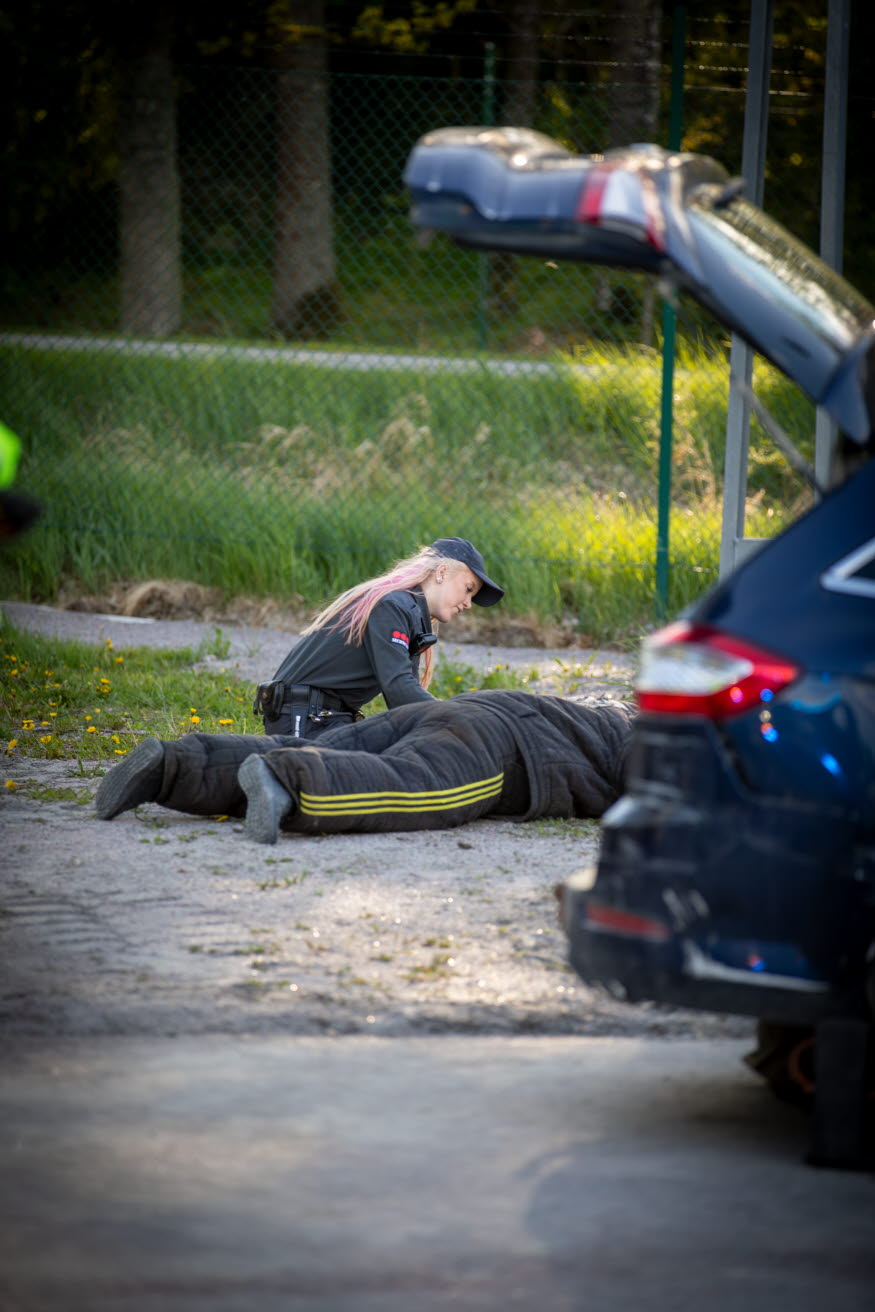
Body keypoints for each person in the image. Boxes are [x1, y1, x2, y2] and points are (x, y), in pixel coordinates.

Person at [95, 690, 636, 844]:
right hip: (509, 750)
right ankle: (288, 780)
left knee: (343, 746)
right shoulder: (662, 736)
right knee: (417, 790)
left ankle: (173, 765)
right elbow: (654, 780)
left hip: (455, 709)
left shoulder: (616, 710)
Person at [253, 537, 504, 739]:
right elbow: (399, 690)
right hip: (303, 720)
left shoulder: (411, 612)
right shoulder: (393, 605)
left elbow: (406, 702)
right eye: (468, 589)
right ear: (441, 572)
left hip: (328, 717)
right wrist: (459, 720)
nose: (469, 603)